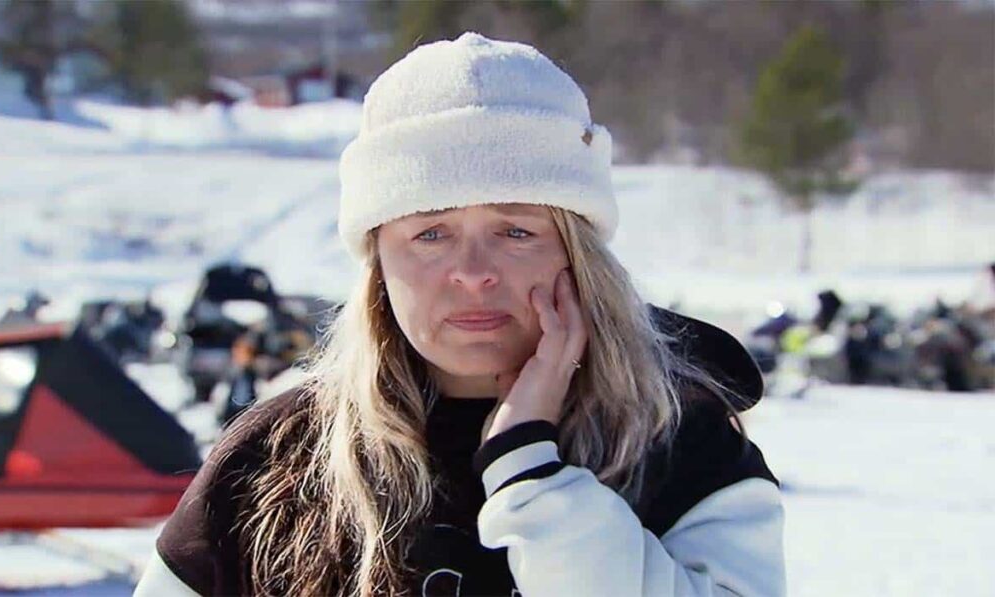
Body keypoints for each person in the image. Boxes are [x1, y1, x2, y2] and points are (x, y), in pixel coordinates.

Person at [136, 32, 785, 597]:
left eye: (516, 231)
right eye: (430, 233)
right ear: (378, 263)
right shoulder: (277, 456)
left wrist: (531, 471)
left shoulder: (682, 442)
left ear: (579, 254)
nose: (474, 271)